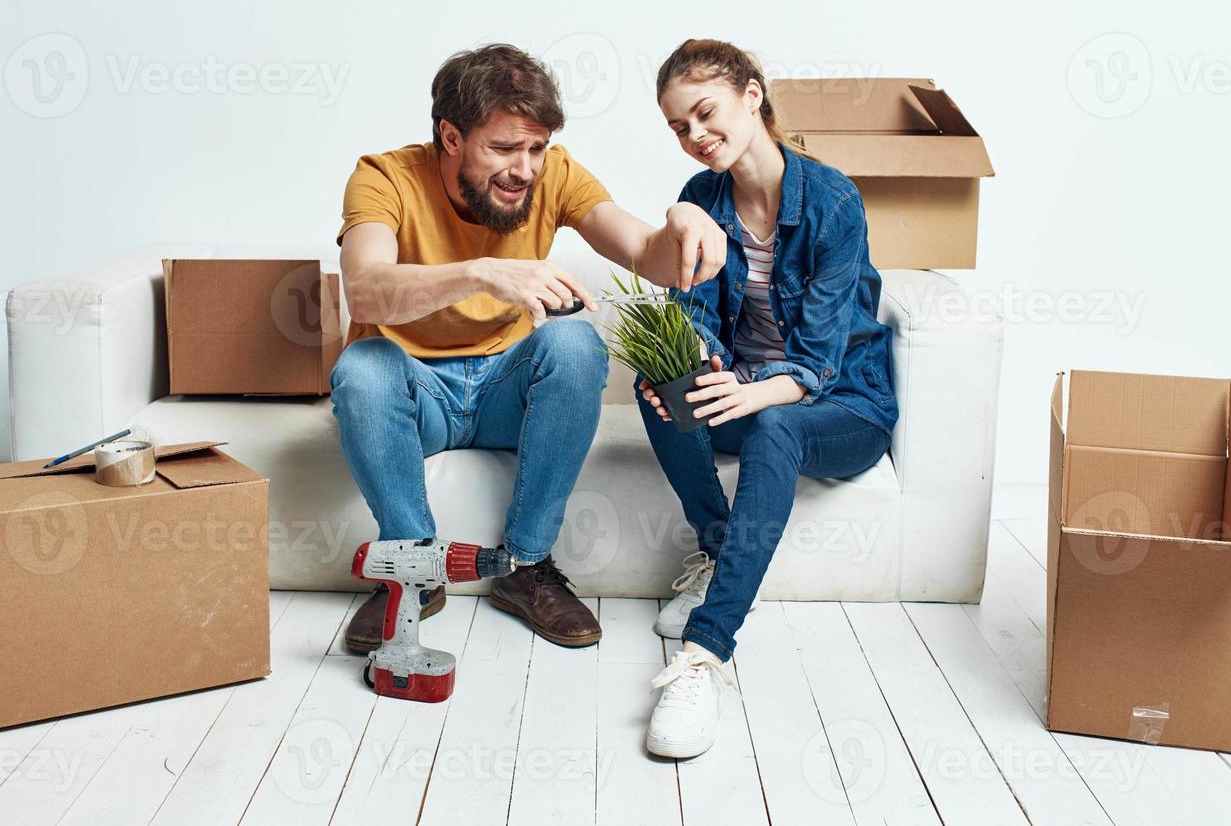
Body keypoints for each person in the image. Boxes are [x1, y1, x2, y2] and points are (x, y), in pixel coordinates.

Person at [333, 44, 725, 651]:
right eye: (504, 148)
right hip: (418, 396)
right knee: (364, 366)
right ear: (451, 136)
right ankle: (413, 572)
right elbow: (364, 292)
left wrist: (683, 221)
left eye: (536, 148)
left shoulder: (556, 174)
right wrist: (483, 271)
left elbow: (649, 254)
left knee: (573, 344)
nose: (524, 169)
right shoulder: (385, 178)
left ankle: (525, 566)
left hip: (503, 395)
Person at [636, 39, 898, 758]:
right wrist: (690, 367)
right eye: (677, 127)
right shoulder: (700, 201)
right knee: (654, 384)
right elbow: (691, 320)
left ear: (752, 96)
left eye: (704, 112)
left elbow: (816, 363)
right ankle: (718, 549)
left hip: (842, 406)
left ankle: (705, 653)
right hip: (752, 397)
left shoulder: (832, 200)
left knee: (778, 424)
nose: (693, 136)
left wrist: (747, 391)